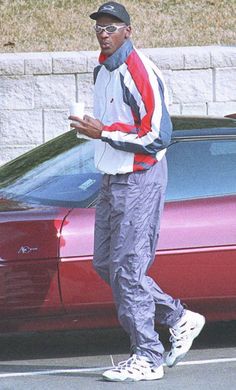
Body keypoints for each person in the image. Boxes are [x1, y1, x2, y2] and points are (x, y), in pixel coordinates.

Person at [69, 1, 205, 382]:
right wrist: (93, 128)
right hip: (112, 178)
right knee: (105, 264)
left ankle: (148, 355)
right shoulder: (102, 70)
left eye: (112, 26)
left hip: (140, 179)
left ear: (128, 31)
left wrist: (105, 133)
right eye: (99, 26)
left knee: (128, 269)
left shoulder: (139, 71)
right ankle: (178, 317)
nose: (104, 32)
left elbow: (158, 136)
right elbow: (117, 125)